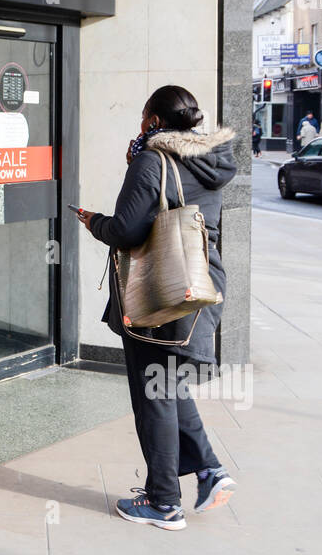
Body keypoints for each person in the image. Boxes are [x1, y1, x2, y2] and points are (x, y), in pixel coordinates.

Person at [74, 85, 238, 531]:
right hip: (200, 288)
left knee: (154, 397)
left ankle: (164, 502)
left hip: (160, 297)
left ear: (153, 123)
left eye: (142, 118)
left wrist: (95, 223)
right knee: (168, 385)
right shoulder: (209, 162)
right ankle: (209, 470)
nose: (138, 127)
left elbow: (127, 230)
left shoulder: (152, 160)